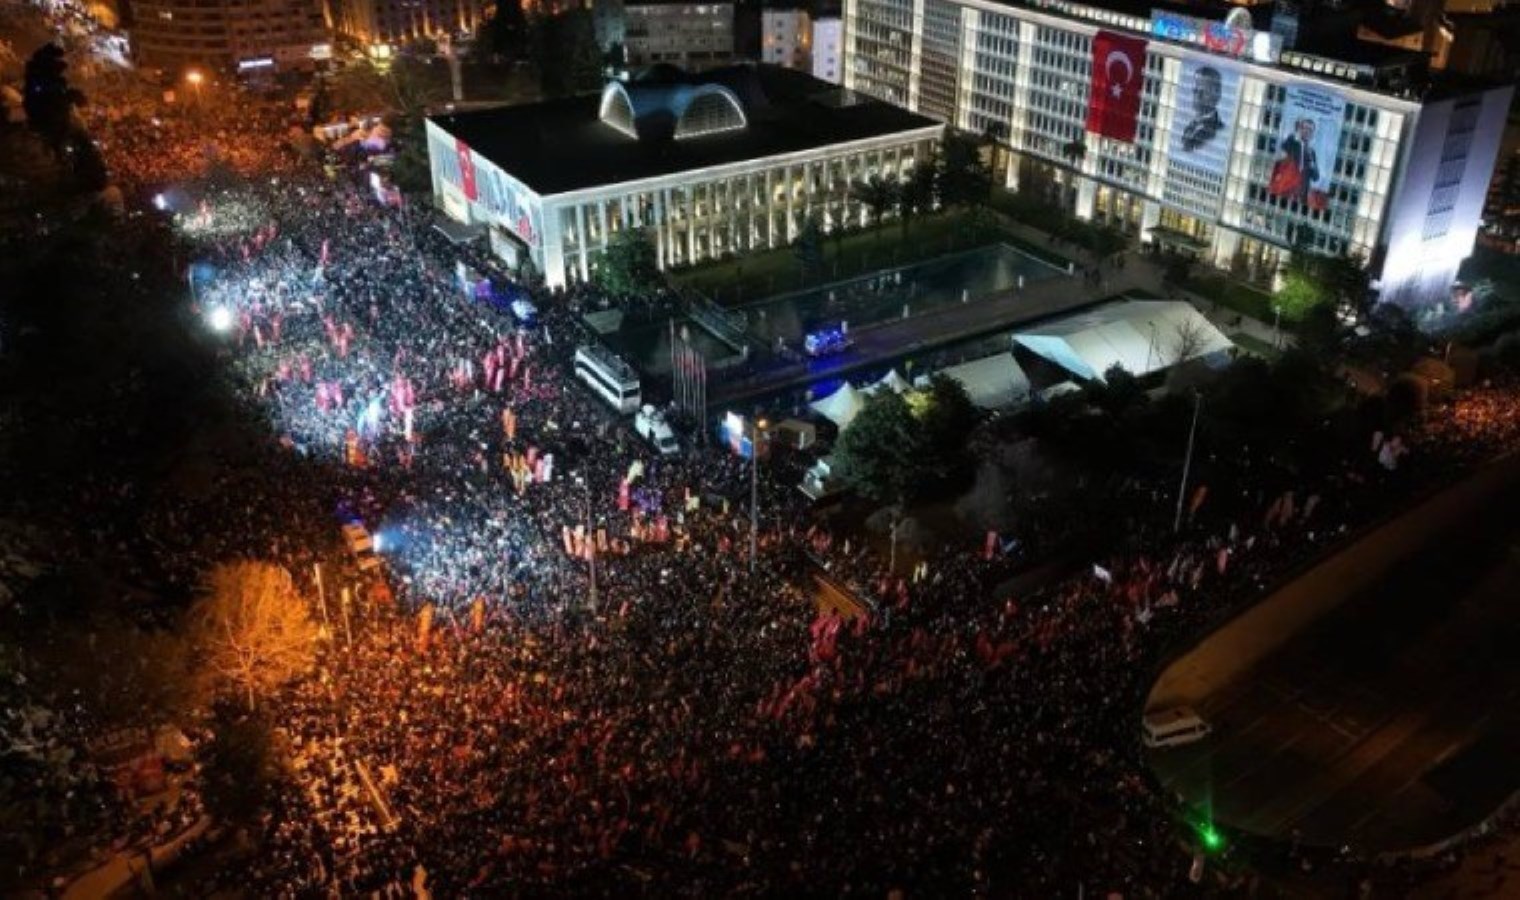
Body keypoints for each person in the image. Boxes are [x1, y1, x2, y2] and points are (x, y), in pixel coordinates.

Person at [1272, 117, 1320, 204]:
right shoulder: (1293, 142)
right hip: (1287, 187)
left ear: (1312, 134)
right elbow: (1283, 148)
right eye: (1305, 128)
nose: (1307, 131)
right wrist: (1295, 133)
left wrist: (1313, 165)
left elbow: (1316, 177)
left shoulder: (1312, 152)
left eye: (1310, 130)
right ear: (1300, 129)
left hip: (1302, 193)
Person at [1179, 66, 1224, 154]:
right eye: (1195, 90)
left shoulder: (1217, 131)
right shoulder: (1191, 125)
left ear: (1216, 95)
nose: (1197, 96)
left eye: (1202, 92)